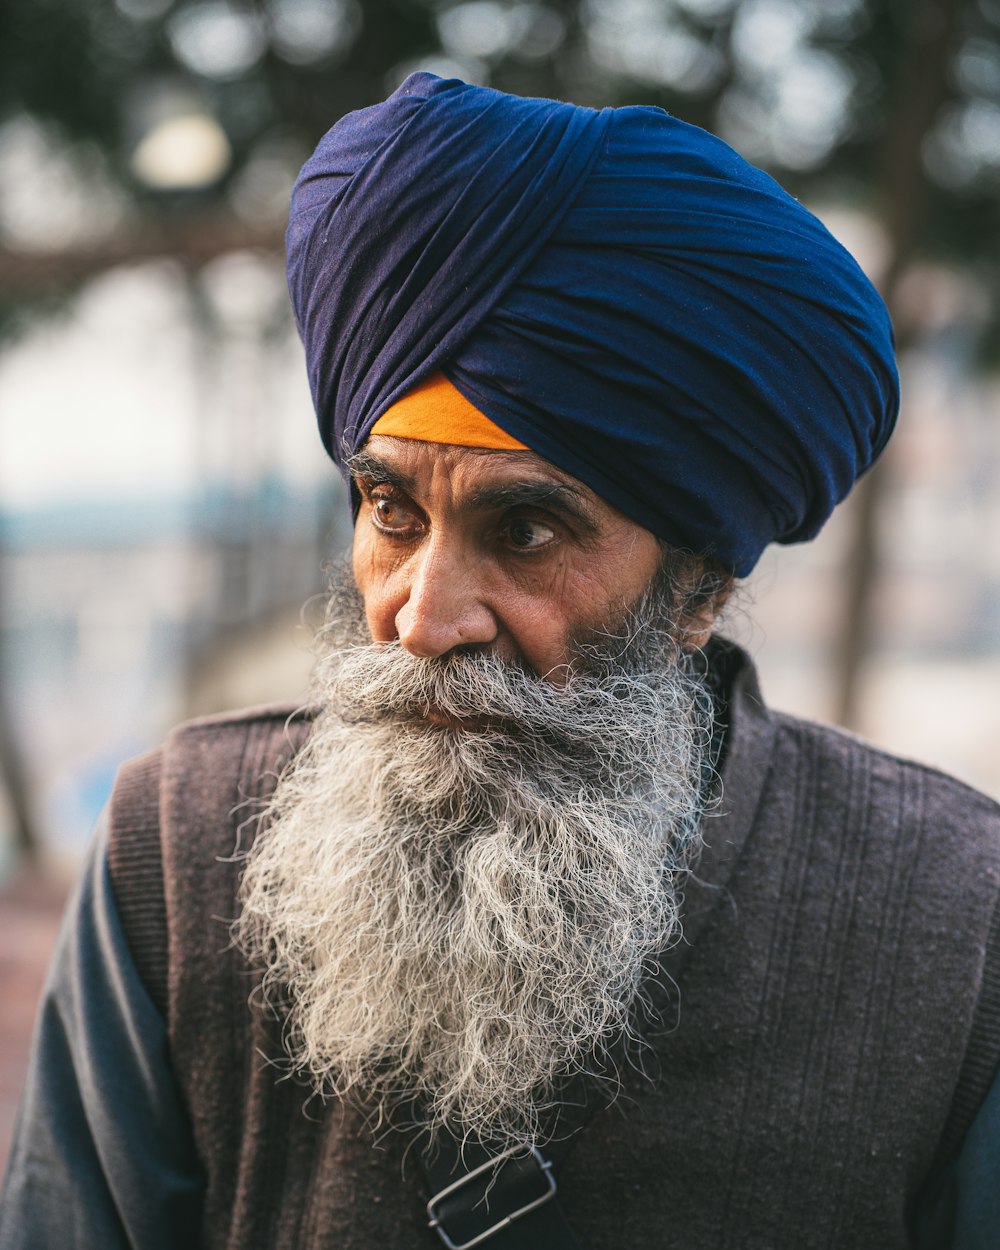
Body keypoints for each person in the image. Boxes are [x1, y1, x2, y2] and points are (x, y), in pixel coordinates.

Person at [2, 73, 999, 1250]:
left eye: (525, 531)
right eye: (389, 509)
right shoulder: (172, 850)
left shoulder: (956, 922)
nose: (422, 619)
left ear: (701, 589)